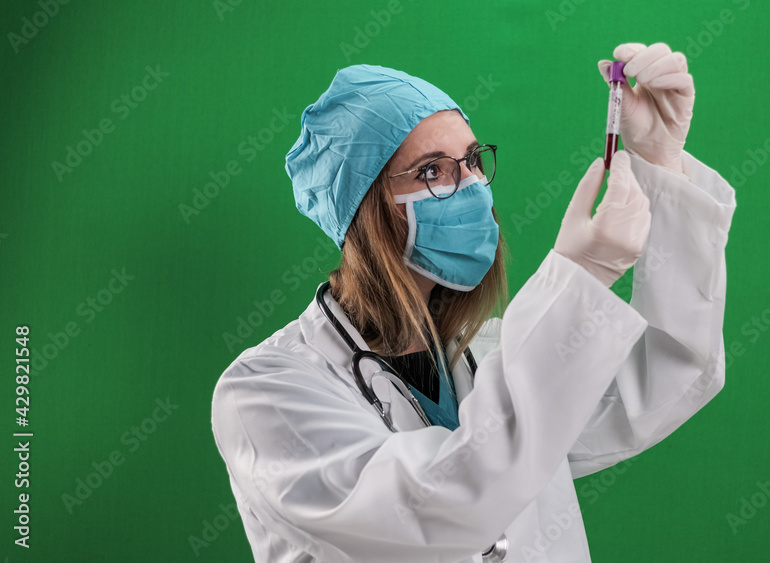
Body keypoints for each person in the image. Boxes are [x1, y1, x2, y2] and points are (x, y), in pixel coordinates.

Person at [212, 42, 736, 562]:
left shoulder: (489, 350)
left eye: (471, 161)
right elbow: (428, 511)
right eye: (432, 171)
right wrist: (581, 277)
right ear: (364, 210)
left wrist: (662, 165)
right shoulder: (268, 393)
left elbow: (665, 375)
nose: (472, 188)